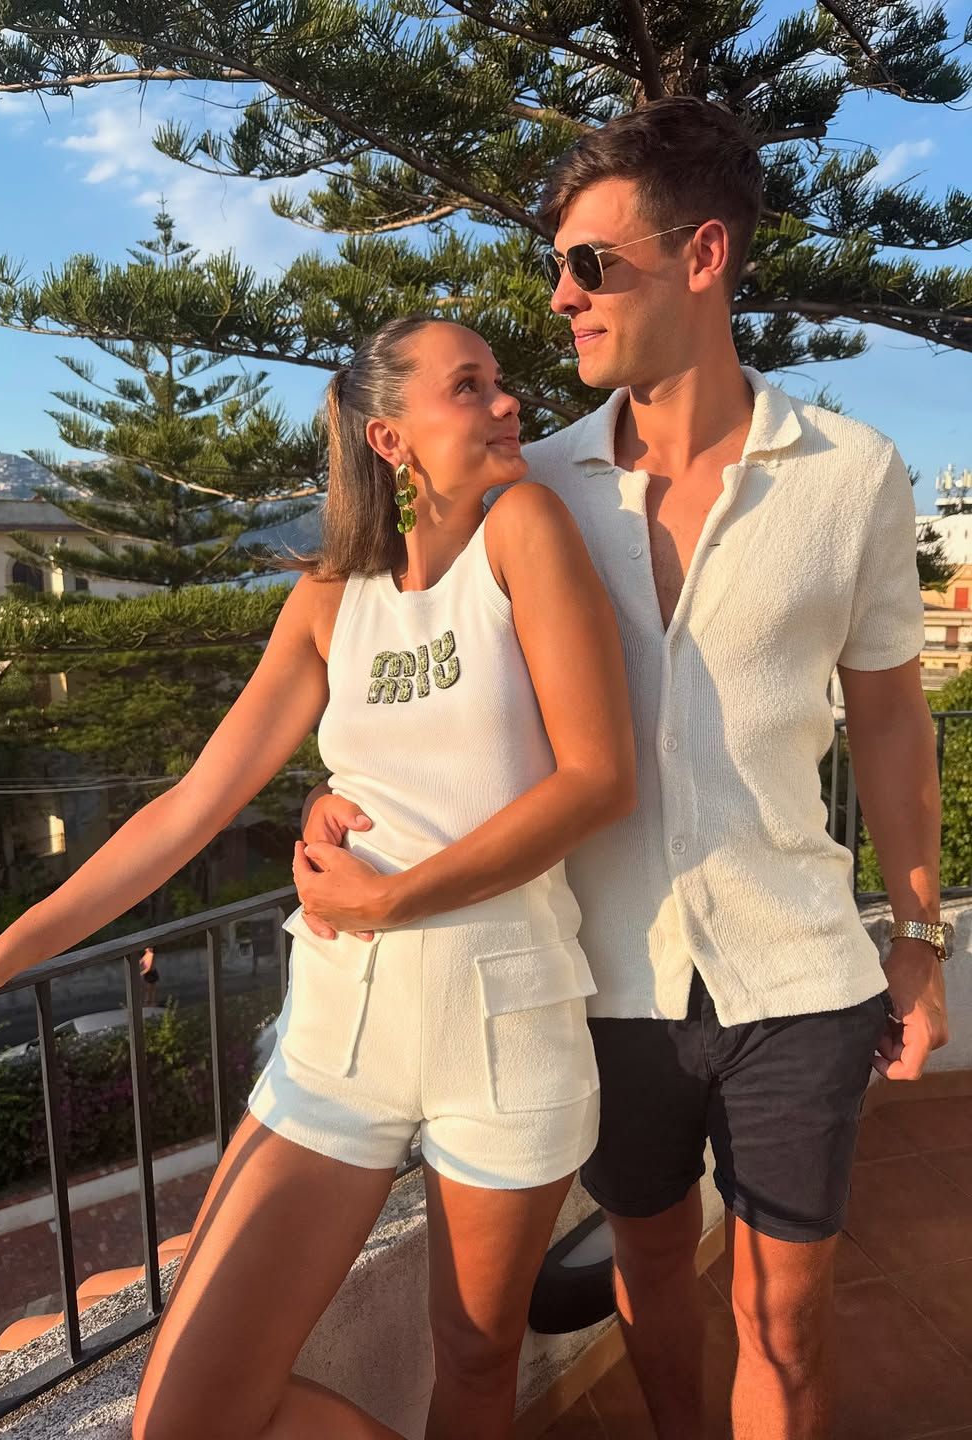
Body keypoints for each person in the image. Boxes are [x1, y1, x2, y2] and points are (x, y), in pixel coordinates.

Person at [301, 98, 950, 1440]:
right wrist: (340, 787)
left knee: (786, 1318)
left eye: (590, 264)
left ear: (702, 254)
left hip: (799, 973)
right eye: (559, 268)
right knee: (649, 1269)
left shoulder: (851, 475)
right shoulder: (524, 488)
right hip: (602, 980)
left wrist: (921, 937)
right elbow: (405, 646)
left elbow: (893, 720)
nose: (563, 298)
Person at [0, 316, 636, 1440]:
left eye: (500, 382)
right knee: (185, 1414)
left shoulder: (524, 530)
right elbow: (192, 806)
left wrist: (389, 896)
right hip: (341, 1033)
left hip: (506, 1013)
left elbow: (599, 778)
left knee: (477, 1361)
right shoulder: (330, 598)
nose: (506, 403)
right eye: (469, 386)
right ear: (390, 438)